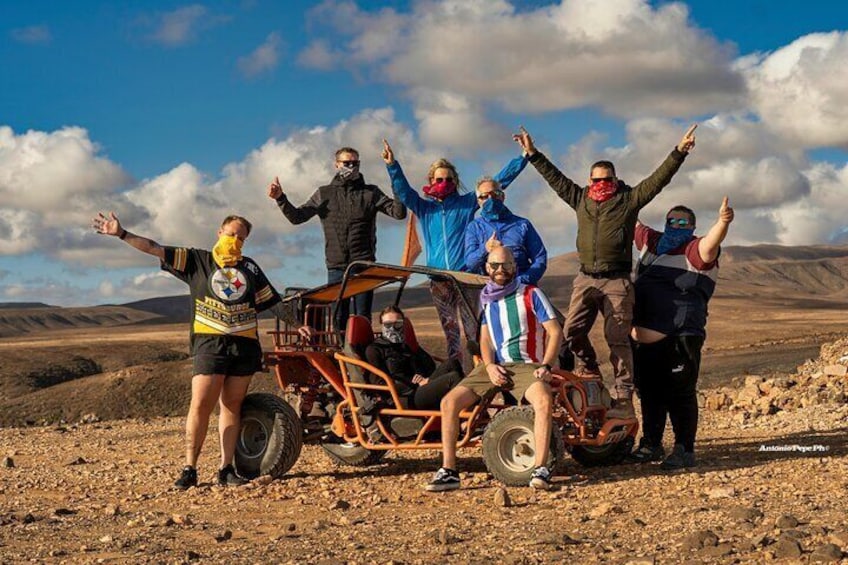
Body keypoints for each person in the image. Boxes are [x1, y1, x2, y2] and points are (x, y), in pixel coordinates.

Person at [91, 212, 313, 489]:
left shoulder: (250, 268)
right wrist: (122, 234)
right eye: (231, 234)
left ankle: (226, 469)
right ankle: (190, 468)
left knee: (232, 407)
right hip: (210, 344)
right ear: (219, 232)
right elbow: (154, 247)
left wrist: (297, 324)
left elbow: (271, 299)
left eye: (241, 239)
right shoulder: (197, 260)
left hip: (243, 346)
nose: (235, 241)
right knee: (201, 405)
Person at [513, 125, 697, 419]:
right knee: (570, 332)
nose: (601, 184)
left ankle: (624, 395)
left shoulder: (628, 200)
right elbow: (556, 179)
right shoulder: (580, 198)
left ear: (615, 178)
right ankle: (590, 371)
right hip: (585, 278)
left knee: (618, 338)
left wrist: (679, 152)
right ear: (590, 180)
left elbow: (658, 180)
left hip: (617, 281)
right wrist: (533, 154)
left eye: (606, 179)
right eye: (596, 179)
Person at [426, 246, 563, 492]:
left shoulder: (531, 294)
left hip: (526, 364)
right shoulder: (487, 298)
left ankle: (540, 468)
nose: (501, 270)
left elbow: (555, 331)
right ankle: (449, 471)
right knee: (449, 403)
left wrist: (546, 365)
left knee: (543, 400)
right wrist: (489, 366)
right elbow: (485, 340)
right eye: (495, 265)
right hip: (495, 367)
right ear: (487, 268)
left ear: (514, 267)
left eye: (506, 265)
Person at [382, 139, 528, 360]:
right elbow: (404, 192)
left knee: (475, 332)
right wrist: (392, 165)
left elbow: (496, 184)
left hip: (466, 278)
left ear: (456, 181)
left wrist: (523, 157)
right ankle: (457, 378)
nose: (444, 182)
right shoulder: (424, 208)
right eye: (439, 179)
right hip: (439, 279)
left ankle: (483, 373)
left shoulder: (467, 202)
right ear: (431, 180)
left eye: (449, 179)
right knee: (450, 334)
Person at [628, 198, 734, 469]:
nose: (676, 225)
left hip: (681, 335)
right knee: (649, 392)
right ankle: (651, 444)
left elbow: (711, 243)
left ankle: (684, 448)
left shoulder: (695, 249)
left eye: (683, 222)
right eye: (672, 220)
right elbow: (628, 218)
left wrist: (722, 222)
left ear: (693, 226)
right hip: (643, 340)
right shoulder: (651, 243)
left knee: (679, 392)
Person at [268, 147, 406, 331]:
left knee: (362, 318)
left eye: (355, 163)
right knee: (338, 317)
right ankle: (338, 356)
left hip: (364, 266)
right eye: (346, 163)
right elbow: (297, 217)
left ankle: (359, 355)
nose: (351, 166)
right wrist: (281, 199)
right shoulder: (324, 194)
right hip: (336, 266)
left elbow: (399, 213)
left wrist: (393, 174)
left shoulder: (370, 193)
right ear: (336, 165)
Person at [364, 306, 464, 410]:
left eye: (397, 324)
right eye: (388, 325)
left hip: (420, 388)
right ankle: (463, 417)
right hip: (403, 397)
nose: (393, 328)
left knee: (452, 363)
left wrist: (425, 378)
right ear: (382, 325)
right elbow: (379, 385)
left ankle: (465, 409)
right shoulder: (374, 349)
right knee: (453, 377)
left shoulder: (404, 345)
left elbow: (429, 365)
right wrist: (415, 383)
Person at [464, 176, 547, 284]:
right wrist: (485, 249)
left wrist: (523, 280)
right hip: (489, 289)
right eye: (484, 196)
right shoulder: (474, 227)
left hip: (521, 286)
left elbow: (540, 257)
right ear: (478, 201)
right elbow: (470, 263)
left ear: (502, 196)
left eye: (495, 194)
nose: (490, 199)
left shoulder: (523, 224)